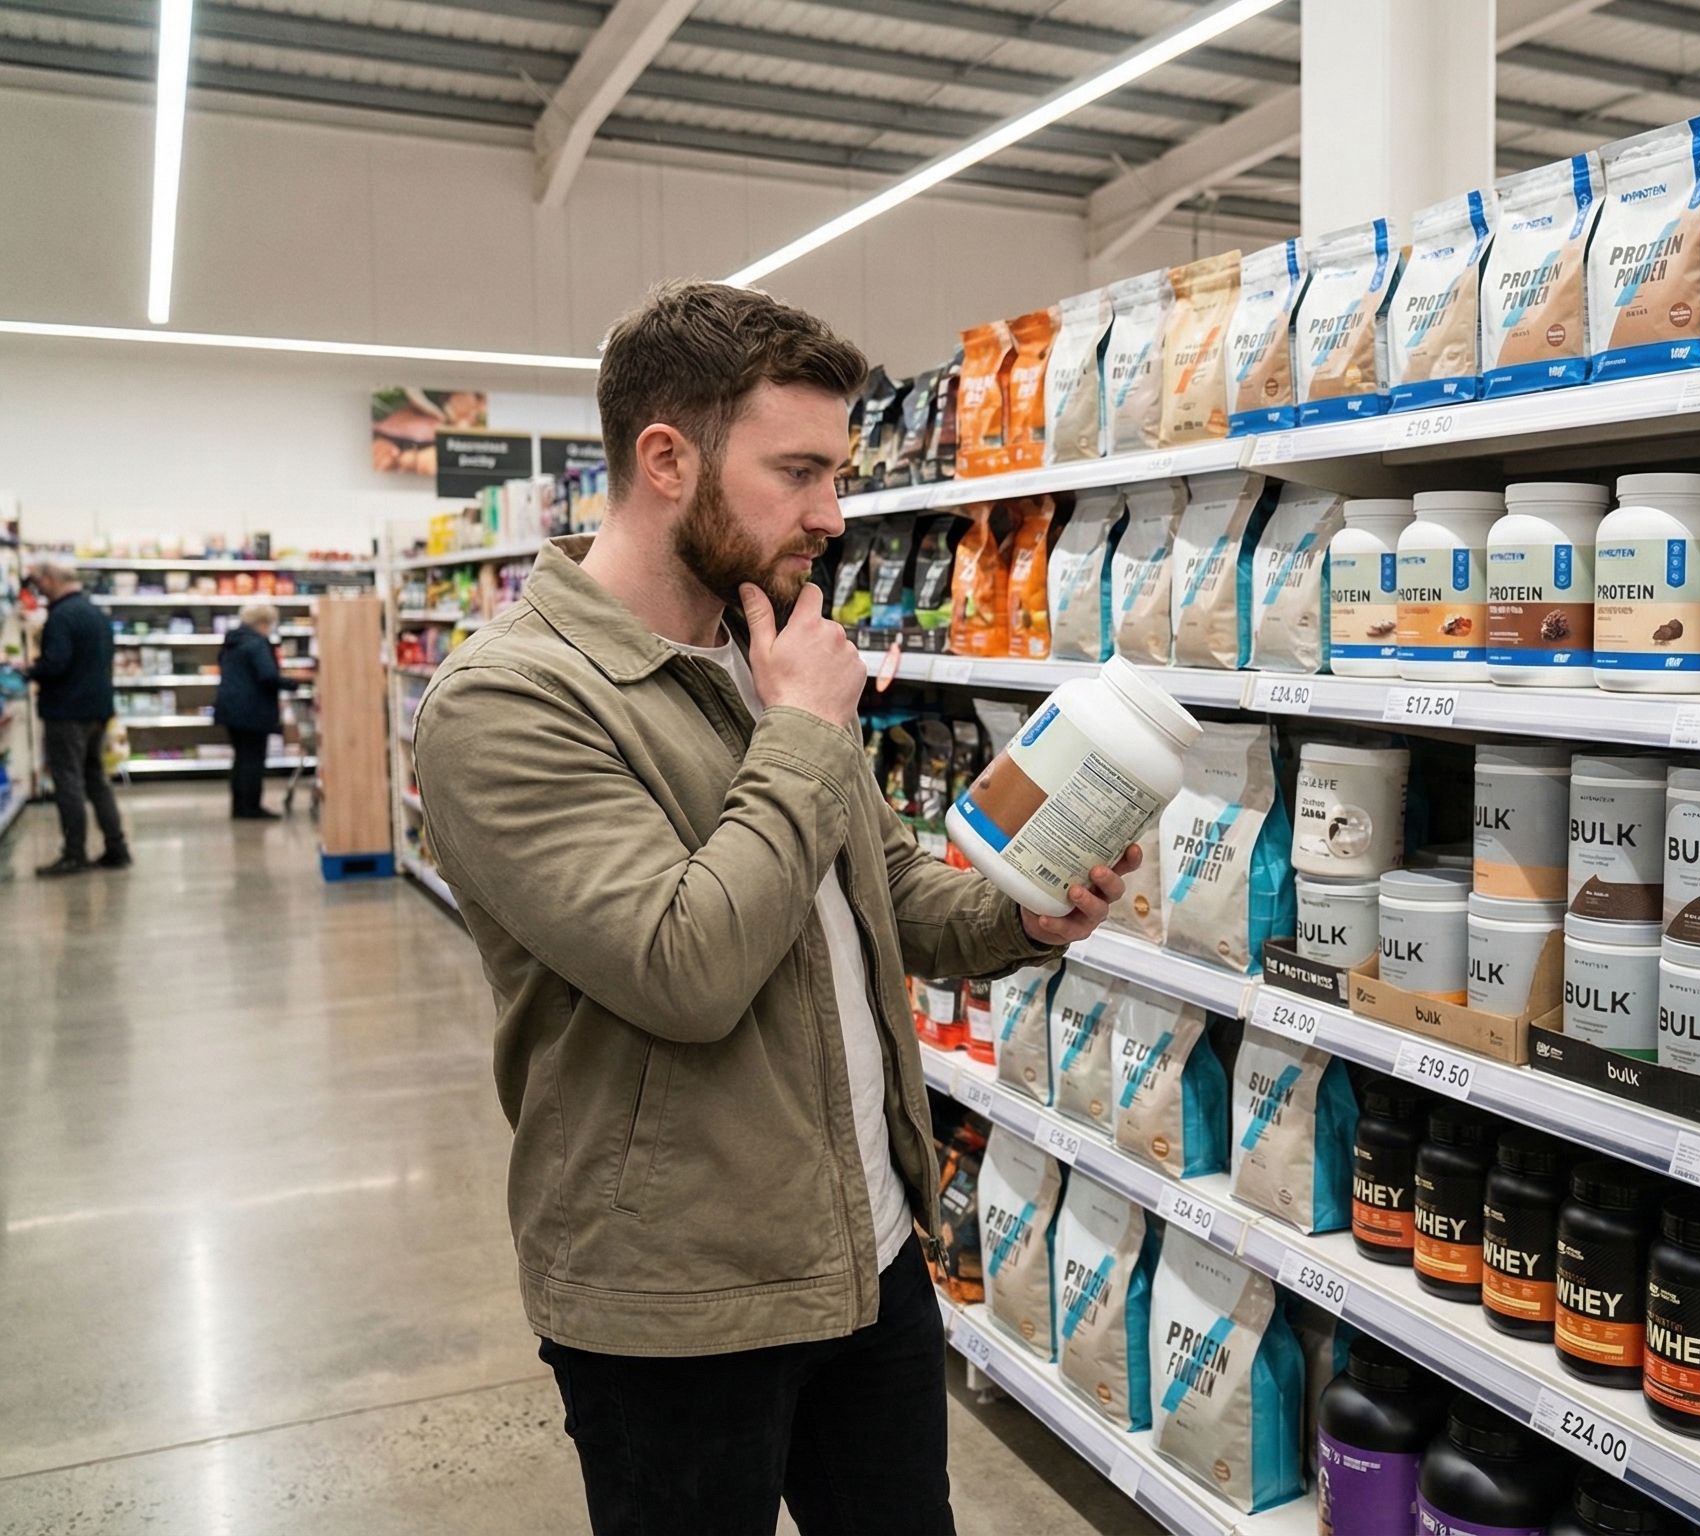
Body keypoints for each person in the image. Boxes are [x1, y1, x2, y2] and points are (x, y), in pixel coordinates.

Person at [413, 281, 1132, 1536]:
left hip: (871, 1249)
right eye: (797, 472)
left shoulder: (771, 646)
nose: (832, 513)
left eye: (837, 471)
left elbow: (877, 888)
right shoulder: (509, 702)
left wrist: (1022, 914)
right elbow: (684, 967)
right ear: (666, 458)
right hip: (678, 1304)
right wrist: (802, 725)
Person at [24, 555, 127, 876]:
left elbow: (56, 663)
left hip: (66, 709)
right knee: (96, 779)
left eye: (39, 584)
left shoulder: (61, 616)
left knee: (68, 781)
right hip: (97, 709)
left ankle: (74, 853)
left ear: (50, 581)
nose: (38, 591)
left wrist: (29, 670)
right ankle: (116, 847)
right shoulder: (95, 613)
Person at [215, 599, 293, 820]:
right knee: (253, 760)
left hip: (230, 708)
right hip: (252, 709)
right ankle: (252, 807)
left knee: (240, 759)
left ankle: (239, 806)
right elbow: (267, 676)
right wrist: (293, 683)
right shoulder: (257, 643)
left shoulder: (232, 642)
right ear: (262, 622)